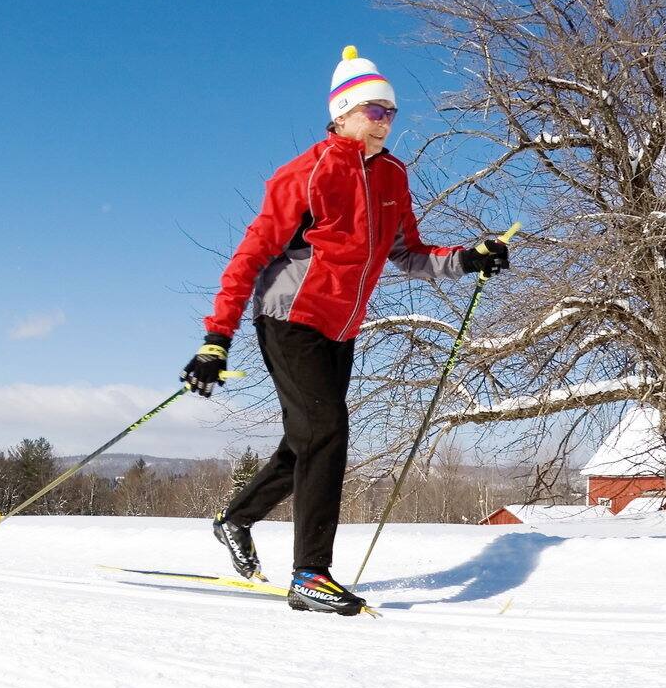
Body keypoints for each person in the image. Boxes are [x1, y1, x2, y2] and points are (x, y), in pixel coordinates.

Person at [185, 47, 508, 614]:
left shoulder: (392, 176)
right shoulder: (303, 175)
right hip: (290, 317)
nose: (385, 121)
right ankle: (310, 573)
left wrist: (468, 258)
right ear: (342, 113)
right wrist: (216, 339)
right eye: (373, 110)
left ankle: (236, 519)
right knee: (328, 429)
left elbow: (409, 254)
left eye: (390, 112)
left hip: (342, 328)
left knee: (308, 439)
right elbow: (247, 258)